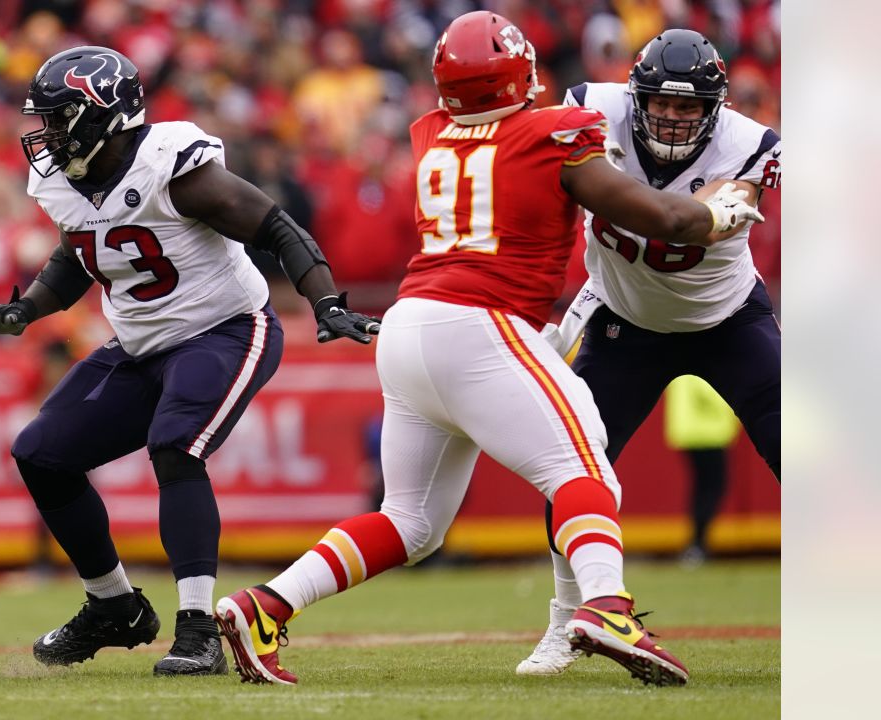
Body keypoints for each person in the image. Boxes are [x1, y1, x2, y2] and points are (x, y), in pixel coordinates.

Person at [214, 11, 762, 688]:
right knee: (583, 467)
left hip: (408, 325)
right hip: (481, 323)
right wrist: (719, 209)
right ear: (521, 75)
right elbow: (665, 218)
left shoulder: (430, 132)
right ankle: (608, 608)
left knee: (410, 521)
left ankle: (264, 606)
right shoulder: (552, 135)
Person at [0, 46, 380, 677]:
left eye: (59, 116)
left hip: (226, 329)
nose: (46, 132)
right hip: (140, 345)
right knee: (41, 454)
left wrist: (327, 304)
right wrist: (23, 311)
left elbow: (276, 226)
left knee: (176, 447)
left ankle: (199, 627)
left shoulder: (174, 166)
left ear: (104, 114)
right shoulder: (66, 179)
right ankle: (113, 606)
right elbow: (81, 252)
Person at [517, 28, 781, 677]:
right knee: (573, 465)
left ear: (713, 110)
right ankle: (564, 618)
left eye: (688, 107)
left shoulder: (751, 146)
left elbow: (732, 200)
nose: (671, 115)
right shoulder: (589, 107)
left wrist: (723, 204)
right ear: (636, 97)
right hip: (624, 321)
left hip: (727, 320)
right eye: (661, 102)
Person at [664, 375, 741, 564]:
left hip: (691, 432)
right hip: (707, 434)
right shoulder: (703, 355)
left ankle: (697, 544)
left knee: (703, 488)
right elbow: (710, 392)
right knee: (712, 487)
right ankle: (697, 544)